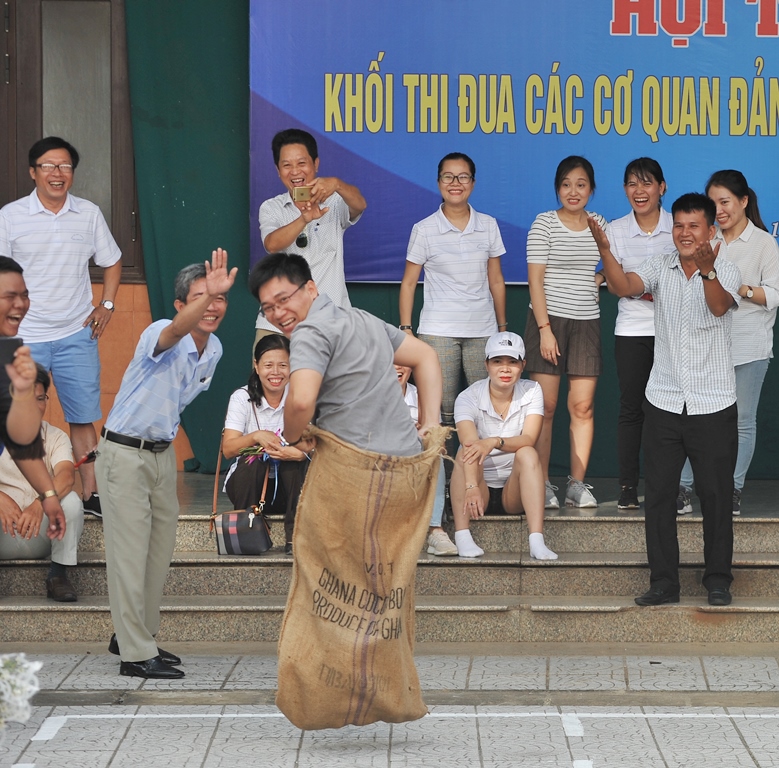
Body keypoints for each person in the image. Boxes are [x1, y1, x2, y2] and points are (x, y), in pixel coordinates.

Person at [589, 193, 741, 607]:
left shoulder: (726, 267)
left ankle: (717, 580)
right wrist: (605, 250)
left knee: (716, 497)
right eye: (679, 226)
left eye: (694, 226)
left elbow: (719, 307)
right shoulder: (660, 265)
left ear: (711, 230)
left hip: (712, 404)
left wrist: (708, 272)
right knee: (658, 497)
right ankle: (663, 583)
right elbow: (623, 287)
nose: (685, 233)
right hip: (664, 401)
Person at [95, 248, 236, 679]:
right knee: (128, 554)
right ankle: (135, 655)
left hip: (160, 456)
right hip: (124, 454)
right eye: (201, 297)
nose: (212, 306)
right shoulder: (160, 330)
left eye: (219, 298)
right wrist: (205, 296)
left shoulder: (213, 350)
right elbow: (176, 330)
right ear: (180, 304)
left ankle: (135, 635)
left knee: (158, 555)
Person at [0, 137, 122, 518]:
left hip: (75, 333)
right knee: (16, 415)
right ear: (33, 172)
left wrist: (107, 304)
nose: (57, 173)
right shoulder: (10, 216)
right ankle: (17, 491)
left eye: (65, 166)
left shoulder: (88, 214)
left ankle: (91, 496)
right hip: (24, 337)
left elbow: (112, 260)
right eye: (48, 166)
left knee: (83, 417)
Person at [676, 170, 779, 516]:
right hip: (707, 346)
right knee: (696, 419)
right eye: (714, 203)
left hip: (750, 345)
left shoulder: (764, 243)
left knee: (742, 421)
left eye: (725, 202)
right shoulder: (705, 239)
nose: (719, 211)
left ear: (744, 201)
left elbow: (775, 294)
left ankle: (732, 489)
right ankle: (684, 488)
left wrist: (741, 289)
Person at [399, 152, 507, 458]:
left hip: (482, 329)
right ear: (438, 182)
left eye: (463, 177)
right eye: (448, 176)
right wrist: (406, 328)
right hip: (438, 331)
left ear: (473, 183)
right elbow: (409, 282)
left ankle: (481, 476)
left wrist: (501, 328)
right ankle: (440, 477)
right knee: (440, 410)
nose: (455, 183)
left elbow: (496, 280)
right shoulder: (424, 228)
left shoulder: (488, 225)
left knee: (483, 408)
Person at [525, 156, 606, 509]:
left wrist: (600, 277)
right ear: (558, 188)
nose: (573, 191)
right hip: (548, 322)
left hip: (587, 322)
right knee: (545, 407)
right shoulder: (544, 223)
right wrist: (545, 330)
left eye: (581, 184)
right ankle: (541, 483)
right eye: (566, 184)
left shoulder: (599, 224)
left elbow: (617, 262)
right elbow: (535, 280)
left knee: (583, 407)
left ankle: (576, 485)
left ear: (591, 189)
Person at [601, 158, 675, 510]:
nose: (639, 191)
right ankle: (628, 486)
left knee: (672, 412)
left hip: (674, 331)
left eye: (647, 183)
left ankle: (669, 487)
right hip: (632, 330)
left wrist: (636, 288)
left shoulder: (678, 226)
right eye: (632, 183)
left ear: (662, 187)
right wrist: (636, 288)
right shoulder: (614, 230)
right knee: (632, 409)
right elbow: (614, 281)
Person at [449, 332, 558, 560]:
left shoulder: (532, 390)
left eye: (512, 362)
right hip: (479, 487)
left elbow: (529, 439)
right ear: (486, 365)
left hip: (513, 491)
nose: (505, 369)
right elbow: (469, 443)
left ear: (523, 365)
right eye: (497, 361)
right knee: (464, 452)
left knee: (528, 453)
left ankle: (536, 540)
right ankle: (462, 536)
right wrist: (471, 486)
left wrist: (493, 442)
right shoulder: (467, 397)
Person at [254, 128, 367, 345]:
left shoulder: (335, 201)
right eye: (287, 165)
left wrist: (337, 184)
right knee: (272, 369)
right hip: (278, 324)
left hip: (331, 321)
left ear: (316, 164)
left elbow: (360, 204)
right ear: (278, 170)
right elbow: (272, 244)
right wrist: (304, 219)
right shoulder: (271, 207)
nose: (295, 171)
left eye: (301, 163)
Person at [0, 364, 83, 601]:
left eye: (40, 398)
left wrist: (40, 503)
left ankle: (58, 576)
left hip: (41, 534)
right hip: (3, 531)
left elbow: (67, 476)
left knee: (71, 501)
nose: (34, 407)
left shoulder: (55, 436)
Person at [0, 256, 66, 545]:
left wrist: (48, 495)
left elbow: (19, 438)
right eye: (10, 296)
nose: (21, 304)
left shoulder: (9, 352)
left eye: (24, 295)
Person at [222, 334, 309, 554]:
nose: (276, 372)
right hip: (248, 489)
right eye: (268, 365)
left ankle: (296, 539)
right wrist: (256, 436)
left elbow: (316, 444)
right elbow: (228, 449)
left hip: (290, 492)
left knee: (295, 462)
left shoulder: (301, 397)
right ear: (257, 366)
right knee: (254, 461)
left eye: (283, 365)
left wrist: (299, 454)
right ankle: (245, 536)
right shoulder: (242, 398)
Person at [395, 363, 458, 556]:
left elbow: (440, 442)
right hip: (384, 467)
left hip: (418, 468)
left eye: (402, 362)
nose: (397, 367)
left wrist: (423, 436)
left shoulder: (423, 396)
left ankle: (435, 529)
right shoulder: (369, 394)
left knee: (434, 449)